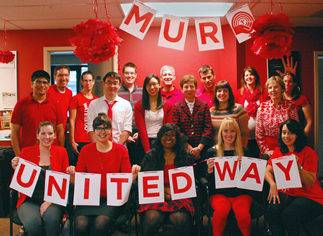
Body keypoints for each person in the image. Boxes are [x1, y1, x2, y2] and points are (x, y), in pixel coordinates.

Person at [66, 113, 140, 236]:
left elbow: (127, 179)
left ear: (111, 130)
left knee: (100, 223)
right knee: (80, 224)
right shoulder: (86, 150)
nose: (102, 132)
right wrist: (71, 174)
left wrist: (135, 173)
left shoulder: (120, 150)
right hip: (88, 199)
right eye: (99, 128)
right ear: (94, 131)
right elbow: (78, 180)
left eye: (106, 128)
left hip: (111, 200)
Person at [265, 119, 323, 236]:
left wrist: (298, 167)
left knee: (289, 215)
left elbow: (310, 182)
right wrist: (272, 184)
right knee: (272, 211)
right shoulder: (279, 151)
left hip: (309, 196)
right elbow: (267, 171)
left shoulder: (308, 152)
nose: (286, 136)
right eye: (284, 132)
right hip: (288, 194)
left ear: (298, 134)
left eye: (290, 132)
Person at [11, 121, 69, 236]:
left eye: (50, 133)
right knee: (33, 223)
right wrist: (16, 169)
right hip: (29, 200)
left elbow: (64, 181)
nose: (47, 137)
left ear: (55, 135)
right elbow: (19, 183)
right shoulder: (26, 152)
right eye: (43, 133)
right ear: (37, 135)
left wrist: (48, 201)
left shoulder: (61, 152)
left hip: (53, 199)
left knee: (51, 219)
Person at [139, 123, 195, 236]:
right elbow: (144, 182)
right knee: (152, 218)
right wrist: (165, 193)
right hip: (156, 194)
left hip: (180, 196)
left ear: (177, 138)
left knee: (180, 218)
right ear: (160, 138)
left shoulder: (186, 156)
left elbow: (191, 182)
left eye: (172, 135)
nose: (168, 138)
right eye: (165, 134)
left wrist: (172, 194)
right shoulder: (151, 156)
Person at [207, 118, 252, 236]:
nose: (229, 134)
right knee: (221, 212)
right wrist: (210, 171)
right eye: (225, 131)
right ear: (221, 132)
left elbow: (251, 181)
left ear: (237, 133)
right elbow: (209, 182)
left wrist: (245, 167)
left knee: (243, 214)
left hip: (241, 193)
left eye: (232, 131)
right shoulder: (212, 152)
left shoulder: (245, 151)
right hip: (219, 194)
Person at [11, 70, 65, 156]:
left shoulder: (55, 105)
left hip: (51, 153)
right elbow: (14, 132)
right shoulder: (21, 104)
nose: (42, 85)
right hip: (28, 153)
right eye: (38, 82)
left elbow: (60, 131)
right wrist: (18, 155)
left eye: (45, 82)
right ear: (32, 84)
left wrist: (60, 153)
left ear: (48, 85)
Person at [172, 75, 213, 177]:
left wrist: (199, 148)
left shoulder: (204, 105)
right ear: (182, 89)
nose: (189, 89)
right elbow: (176, 129)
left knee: (203, 176)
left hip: (203, 149)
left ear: (195, 88)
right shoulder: (177, 107)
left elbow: (208, 127)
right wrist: (190, 149)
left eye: (192, 86)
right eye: (186, 87)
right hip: (184, 150)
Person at [256, 76, 299, 160]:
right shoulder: (262, 107)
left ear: (282, 89)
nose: (273, 90)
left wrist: (289, 147)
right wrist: (265, 150)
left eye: (276, 87)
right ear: (267, 90)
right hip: (268, 149)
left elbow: (296, 129)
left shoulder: (290, 105)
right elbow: (259, 132)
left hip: (287, 145)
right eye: (270, 88)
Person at [134, 74, 173, 161]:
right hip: (144, 145)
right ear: (145, 87)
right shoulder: (139, 105)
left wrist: (163, 147)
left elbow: (168, 129)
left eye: (155, 84)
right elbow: (142, 130)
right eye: (149, 85)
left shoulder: (168, 104)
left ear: (159, 85)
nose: (152, 87)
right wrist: (148, 151)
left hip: (163, 143)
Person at [87, 71, 132, 145]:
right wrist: (98, 146)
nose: (112, 86)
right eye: (109, 82)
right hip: (99, 148)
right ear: (104, 84)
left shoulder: (126, 105)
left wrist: (117, 148)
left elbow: (127, 129)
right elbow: (90, 128)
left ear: (119, 85)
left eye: (115, 83)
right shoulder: (94, 104)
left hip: (120, 148)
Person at [235, 66, 269, 158]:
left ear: (256, 77)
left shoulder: (264, 93)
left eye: (251, 74)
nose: (249, 77)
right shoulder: (238, 94)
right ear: (244, 79)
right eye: (246, 75)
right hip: (244, 135)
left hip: (261, 136)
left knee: (260, 162)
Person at [69, 71, 98, 165]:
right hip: (80, 139)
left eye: (90, 80)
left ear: (93, 82)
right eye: (85, 80)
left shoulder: (97, 100)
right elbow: (72, 121)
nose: (88, 83)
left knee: (93, 166)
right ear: (81, 82)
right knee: (81, 166)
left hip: (93, 139)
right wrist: (72, 141)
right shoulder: (76, 98)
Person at [210, 80, 249, 147]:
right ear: (215, 94)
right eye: (219, 91)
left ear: (229, 93)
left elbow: (244, 133)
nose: (222, 93)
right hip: (216, 151)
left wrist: (241, 151)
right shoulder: (211, 111)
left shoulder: (239, 110)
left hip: (235, 151)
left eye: (225, 90)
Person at [118, 62, 143, 164]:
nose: (129, 76)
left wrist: (140, 133)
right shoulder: (117, 92)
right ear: (123, 75)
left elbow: (146, 114)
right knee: (124, 164)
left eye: (132, 73)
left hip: (140, 133)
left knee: (139, 163)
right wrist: (125, 135)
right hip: (121, 133)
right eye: (127, 73)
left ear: (136, 75)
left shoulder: (143, 92)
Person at [282, 72, 313, 136]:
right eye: (285, 81)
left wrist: (302, 137)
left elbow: (309, 122)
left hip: (297, 135)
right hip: (283, 136)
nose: (287, 84)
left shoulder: (302, 99)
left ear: (295, 84)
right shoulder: (279, 99)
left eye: (290, 81)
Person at [47, 65, 73, 133]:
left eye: (66, 75)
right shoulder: (48, 91)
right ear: (55, 77)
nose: (64, 78)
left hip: (62, 132)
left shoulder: (69, 93)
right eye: (60, 75)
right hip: (49, 132)